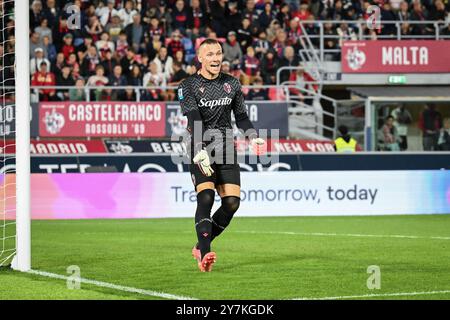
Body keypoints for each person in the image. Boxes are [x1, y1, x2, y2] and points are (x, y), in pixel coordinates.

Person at [178, 38, 266, 272]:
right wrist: (199, 150)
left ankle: (200, 245)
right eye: (210, 54)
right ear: (200, 58)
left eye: (218, 53)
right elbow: (194, 119)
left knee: (232, 203)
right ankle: (205, 254)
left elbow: (242, 116)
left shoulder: (232, 84)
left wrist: (253, 135)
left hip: (226, 147)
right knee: (206, 198)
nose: (216, 58)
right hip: (201, 148)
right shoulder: (188, 86)